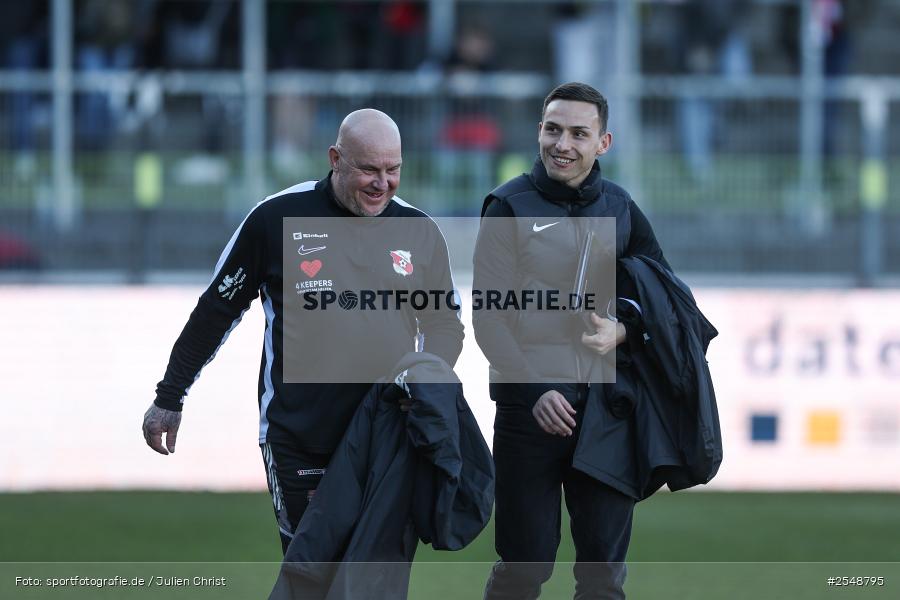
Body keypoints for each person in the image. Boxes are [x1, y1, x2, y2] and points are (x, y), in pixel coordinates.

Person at [142, 109, 465, 553]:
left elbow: (443, 322)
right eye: (369, 169)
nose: (382, 183)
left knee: (378, 578)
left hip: (388, 437)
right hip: (301, 438)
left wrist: (426, 380)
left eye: (393, 170)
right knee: (311, 574)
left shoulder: (419, 230)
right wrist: (169, 396)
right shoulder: (276, 218)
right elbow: (215, 311)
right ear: (335, 158)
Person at [473, 83, 671, 600]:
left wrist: (624, 330)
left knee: (603, 577)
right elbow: (488, 319)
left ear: (603, 143)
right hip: (527, 415)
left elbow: (666, 299)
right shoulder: (507, 206)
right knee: (524, 569)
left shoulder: (622, 209)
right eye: (553, 129)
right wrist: (536, 391)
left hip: (608, 413)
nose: (563, 143)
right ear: (539, 131)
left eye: (579, 133)